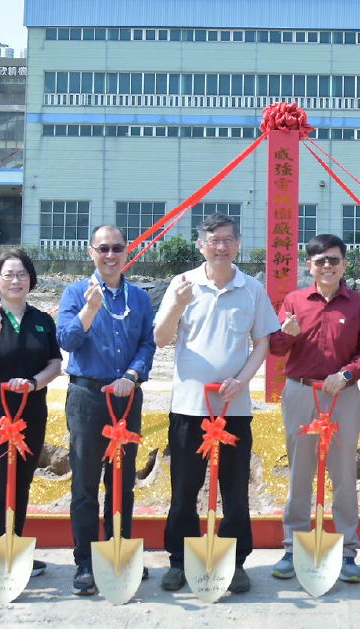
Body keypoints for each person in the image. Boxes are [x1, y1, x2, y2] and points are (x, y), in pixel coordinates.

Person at [153, 213, 279, 594]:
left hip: (233, 409)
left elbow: (263, 343)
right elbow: (160, 339)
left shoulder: (252, 288)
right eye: (213, 240)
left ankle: (235, 561)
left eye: (227, 240)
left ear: (238, 244)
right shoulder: (182, 283)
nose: (220, 246)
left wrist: (241, 381)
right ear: (200, 245)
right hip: (190, 407)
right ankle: (180, 560)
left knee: (235, 490)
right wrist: (176, 305)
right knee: (184, 489)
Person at [268, 234, 360, 584]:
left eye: (333, 260)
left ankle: (347, 549)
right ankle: (293, 546)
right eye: (320, 261)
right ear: (309, 266)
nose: (327, 266)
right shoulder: (294, 300)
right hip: (301, 393)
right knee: (300, 473)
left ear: (345, 264)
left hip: (342, 396)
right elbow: (276, 348)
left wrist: (347, 374)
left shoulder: (358, 305)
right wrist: (287, 334)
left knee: (344, 474)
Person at [56, 225, 156, 596]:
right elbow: (67, 339)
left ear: (126, 251)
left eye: (117, 248)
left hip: (126, 398)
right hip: (88, 398)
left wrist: (132, 374)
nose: (111, 255)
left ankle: (120, 549)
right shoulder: (75, 293)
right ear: (91, 252)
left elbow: (148, 343)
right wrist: (90, 310)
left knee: (122, 480)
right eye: (103, 248)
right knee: (84, 482)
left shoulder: (140, 298)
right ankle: (85, 560)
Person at [0, 248, 63, 595]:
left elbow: (55, 363)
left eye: (21, 274)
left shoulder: (41, 320)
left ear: (31, 279)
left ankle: (13, 549)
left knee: (21, 483)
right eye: (8, 274)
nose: (15, 280)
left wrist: (35, 382)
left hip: (31, 412)